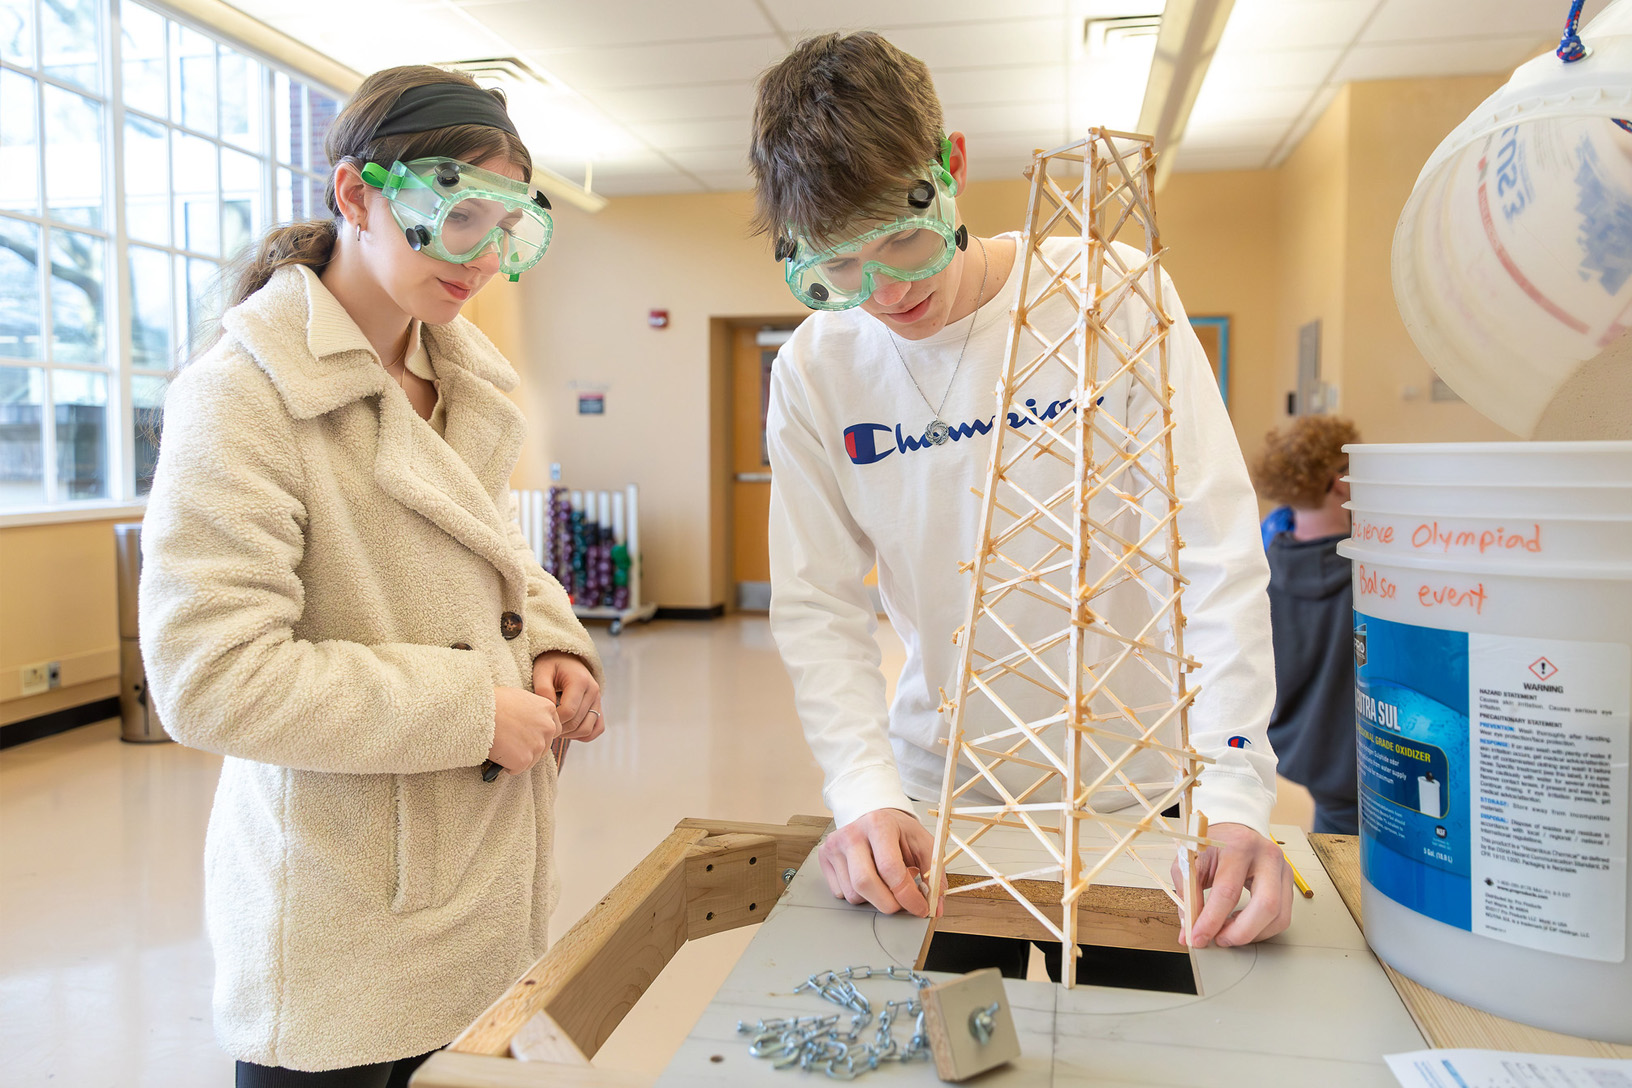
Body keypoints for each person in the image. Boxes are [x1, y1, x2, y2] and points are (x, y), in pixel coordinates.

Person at [750, 31, 1292, 975]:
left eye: (905, 243)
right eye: (838, 270)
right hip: (943, 806)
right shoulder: (817, 365)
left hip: (1140, 800)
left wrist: (1237, 792)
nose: (882, 294)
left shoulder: (1112, 294)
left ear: (950, 166)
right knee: (956, 1056)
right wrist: (862, 791)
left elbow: (1216, 551)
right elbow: (819, 602)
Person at [139, 66, 605, 1085]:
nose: (480, 257)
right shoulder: (243, 397)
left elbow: (491, 550)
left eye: (504, 227)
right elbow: (211, 676)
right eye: (455, 219)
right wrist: (471, 708)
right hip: (337, 924)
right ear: (355, 195)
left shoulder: (464, 379)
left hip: (472, 895)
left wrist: (555, 638)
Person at [1251, 416, 1361, 835]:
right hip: (1362, 765)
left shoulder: (1262, 564)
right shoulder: (1369, 578)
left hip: (1306, 756)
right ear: (1341, 482)